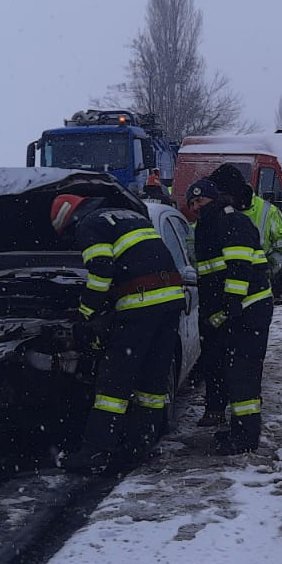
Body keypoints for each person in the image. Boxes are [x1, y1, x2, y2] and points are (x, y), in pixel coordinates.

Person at [49, 192, 187, 474]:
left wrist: (86, 314)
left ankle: (95, 450)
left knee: (114, 382)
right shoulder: (127, 216)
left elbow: (101, 273)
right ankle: (141, 443)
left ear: (67, 219)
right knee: (152, 378)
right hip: (170, 299)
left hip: (141, 303)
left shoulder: (89, 224)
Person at [183, 179, 274, 454]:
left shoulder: (231, 221)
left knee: (243, 374)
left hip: (248, 309)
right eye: (192, 203)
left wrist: (231, 307)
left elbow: (238, 269)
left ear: (214, 199)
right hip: (236, 312)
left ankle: (245, 439)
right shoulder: (209, 226)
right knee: (235, 373)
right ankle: (238, 431)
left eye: (201, 201)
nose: (197, 206)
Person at [207, 164, 282, 284]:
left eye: (219, 195)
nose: (216, 200)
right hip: (221, 286)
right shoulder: (215, 210)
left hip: (256, 288)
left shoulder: (268, 211)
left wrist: (265, 269)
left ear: (232, 194)